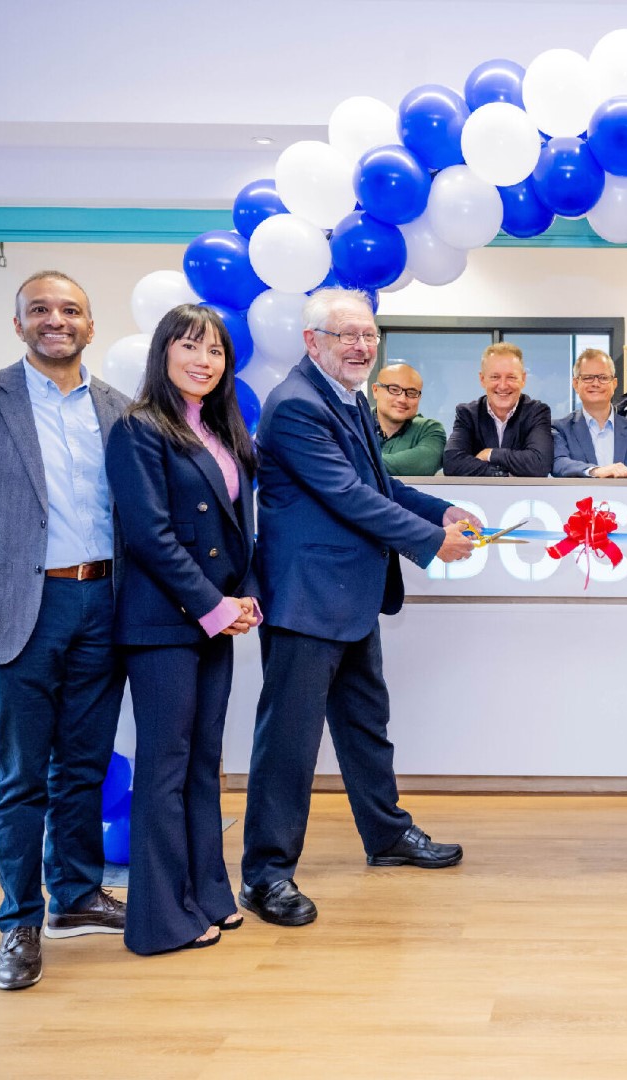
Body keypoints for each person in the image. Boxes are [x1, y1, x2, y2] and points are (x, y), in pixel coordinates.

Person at [0, 270, 129, 991]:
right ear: (18, 324)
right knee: (19, 777)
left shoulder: (118, 409)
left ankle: (75, 896)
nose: (56, 320)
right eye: (40, 309)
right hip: (21, 615)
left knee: (84, 766)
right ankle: (19, 922)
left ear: (90, 326)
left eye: (71, 309)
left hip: (104, 605)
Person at [239, 288, 476, 928]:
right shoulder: (294, 405)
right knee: (289, 743)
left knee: (366, 724)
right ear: (312, 340)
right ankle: (265, 876)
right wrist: (431, 542)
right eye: (346, 335)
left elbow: (382, 484)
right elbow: (346, 496)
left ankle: (387, 835)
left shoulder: (347, 397)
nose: (361, 347)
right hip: (306, 602)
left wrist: (440, 510)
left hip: (350, 596)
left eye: (368, 335)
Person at [105, 305, 259, 955]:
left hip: (212, 622)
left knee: (203, 765)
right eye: (190, 345)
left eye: (216, 350)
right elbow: (149, 534)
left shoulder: (222, 428)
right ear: (163, 352)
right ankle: (159, 920)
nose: (204, 359)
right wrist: (212, 604)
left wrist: (243, 597)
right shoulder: (138, 428)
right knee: (164, 769)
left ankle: (208, 894)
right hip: (162, 623)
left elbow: (232, 529)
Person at [442, 342, 552, 477]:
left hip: (525, 497)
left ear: (523, 379)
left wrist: (490, 454)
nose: (503, 385)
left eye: (511, 377)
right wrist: (500, 473)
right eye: (495, 377)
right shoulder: (467, 414)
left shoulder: (537, 412)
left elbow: (540, 464)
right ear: (482, 379)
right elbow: (451, 462)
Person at [551, 348, 627, 478]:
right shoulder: (560, 429)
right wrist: (595, 471)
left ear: (614, 384)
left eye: (603, 378)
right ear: (576, 384)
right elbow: (559, 463)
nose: (595, 383)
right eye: (588, 378)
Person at [371, 362, 445, 476]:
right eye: (394, 390)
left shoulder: (429, 430)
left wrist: (360, 463)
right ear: (375, 390)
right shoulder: (352, 422)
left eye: (411, 393)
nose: (402, 399)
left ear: (419, 397)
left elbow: (425, 464)